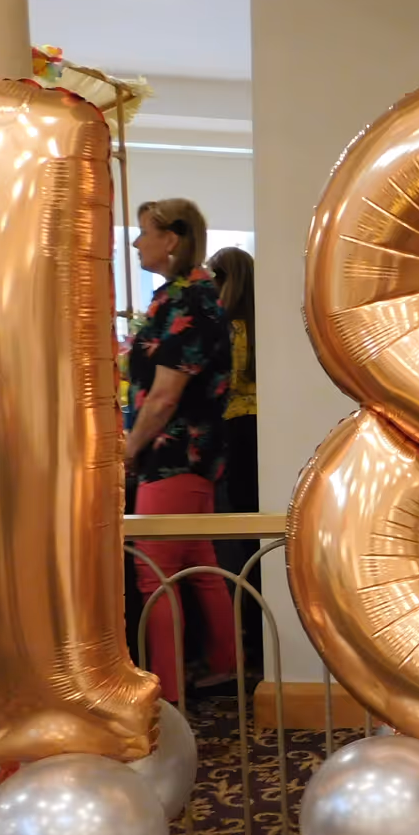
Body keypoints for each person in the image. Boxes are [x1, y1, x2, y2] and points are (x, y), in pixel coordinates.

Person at [125, 197, 238, 702]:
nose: (135, 241)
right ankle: (225, 666)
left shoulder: (185, 301)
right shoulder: (188, 295)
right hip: (193, 456)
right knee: (199, 562)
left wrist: (129, 448)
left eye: (144, 231)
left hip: (174, 455)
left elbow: (165, 396)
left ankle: (167, 695)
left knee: (155, 576)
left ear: (171, 239)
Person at [206, 244, 263, 676]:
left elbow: (219, 387)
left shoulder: (228, 329)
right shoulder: (261, 325)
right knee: (255, 531)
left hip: (234, 430)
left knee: (237, 532)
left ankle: (247, 632)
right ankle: (257, 632)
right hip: (259, 431)